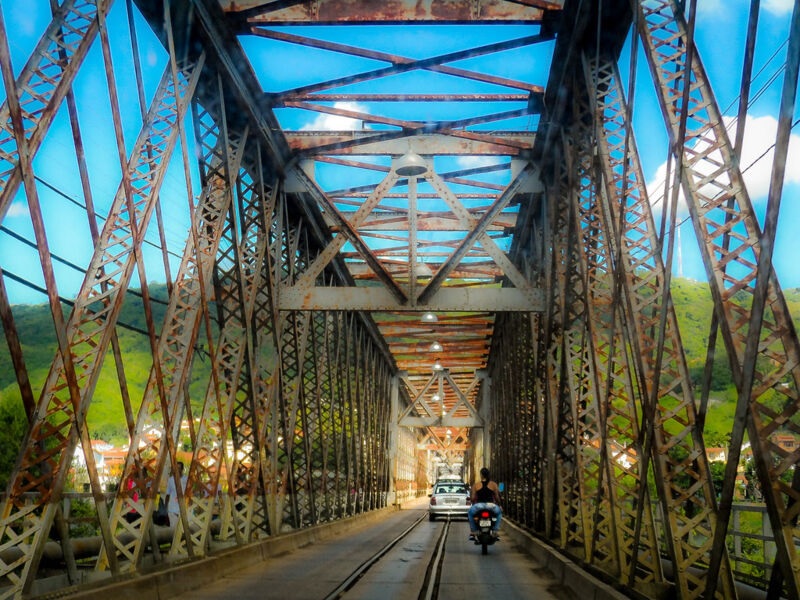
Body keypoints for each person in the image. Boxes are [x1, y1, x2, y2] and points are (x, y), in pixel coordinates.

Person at [467, 467, 502, 540]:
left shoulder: (476, 485)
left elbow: (473, 498)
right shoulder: (493, 484)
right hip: (491, 505)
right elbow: (497, 497)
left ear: (481, 475)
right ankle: (495, 531)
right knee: (499, 513)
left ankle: (473, 531)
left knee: (470, 513)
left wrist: (473, 503)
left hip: (479, 505)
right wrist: (499, 505)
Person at [166, 461, 187, 527]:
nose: (178, 470)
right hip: (172, 509)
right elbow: (168, 494)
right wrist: (166, 506)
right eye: (176, 468)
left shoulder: (186, 479)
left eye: (179, 468)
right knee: (173, 529)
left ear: (182, 469)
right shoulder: (170, 480)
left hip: (184, 509)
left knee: (183, 529)